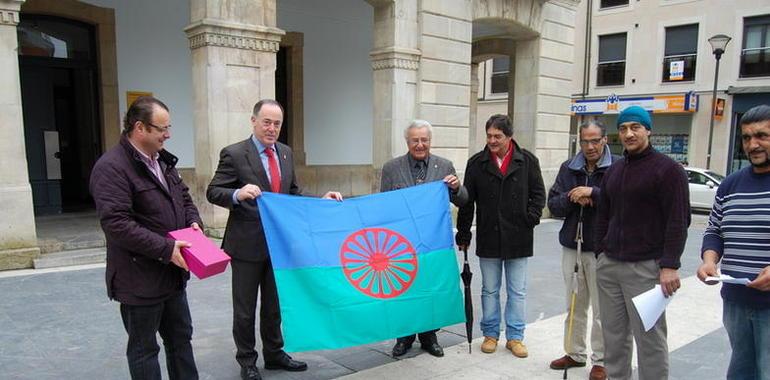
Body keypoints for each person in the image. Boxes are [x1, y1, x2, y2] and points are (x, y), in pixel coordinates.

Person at [206, 99, 342, 380]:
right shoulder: (234, 153)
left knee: (274, 305)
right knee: (244, 310)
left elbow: (292, 193)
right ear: (253, 121)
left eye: (277, 123)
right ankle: (247, 361)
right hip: (246, 245)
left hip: (280, 244)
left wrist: (321, 200)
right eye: (266, 122)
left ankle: (274, 354)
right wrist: (237, 194)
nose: (271, 128)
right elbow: (213, 191)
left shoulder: (285, 153)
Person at [90, 96, 202, 380]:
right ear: (139, 128)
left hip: (172, 274)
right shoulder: (111, 167)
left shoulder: (163, 162)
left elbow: (185, 198)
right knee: (144, 350)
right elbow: (116, 224)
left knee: (180, 340)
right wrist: (166, 248)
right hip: (138, 279)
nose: (168, 134)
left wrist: (193, 223)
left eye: (169, 127)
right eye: (162, 128)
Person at [594, 105, 690, 380]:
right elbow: (604, 215)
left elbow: (677, 221)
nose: (628, 133)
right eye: (623, 128)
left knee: (650, 340)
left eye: (635, 127)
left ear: (648, 130)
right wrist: (601, 252)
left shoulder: (669, 170)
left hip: (646, 269)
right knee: (613, 339)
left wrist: (669, 265)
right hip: (610, 266)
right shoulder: (614, 170)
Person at [456, 114, 545, 358]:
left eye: (498, 136)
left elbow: (539, 194)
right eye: (489, 136)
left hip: (519, 235)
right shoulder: (476, 163)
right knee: (489, 289)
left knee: (517, 290)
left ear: (509, 136)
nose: (492, 140)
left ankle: (515, 337)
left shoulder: (527, 160)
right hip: (489, 235)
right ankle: (491, 333)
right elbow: (467, 202)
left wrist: (531, 218)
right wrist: (464, 232)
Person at [380, 119, 468, 358]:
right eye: (415, 140)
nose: (420, 145)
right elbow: (383, 206)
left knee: (430, 289)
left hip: (433, 244)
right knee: (404, 289)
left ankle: (430, 337)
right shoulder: (391, 168)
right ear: (407, 142)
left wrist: (457, 187)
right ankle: (404, 337)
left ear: (430, 141)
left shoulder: (444, 165)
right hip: (402, 245)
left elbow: (463, 200)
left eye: (424, 140)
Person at [697, 104, 770, 380]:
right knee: (740, 372)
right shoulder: (730, 185)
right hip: (736, 300)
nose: (753, 144)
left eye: (762, 135)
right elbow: (714, 230)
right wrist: (709, 260)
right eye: (747, 137)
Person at [547, 120, 618, 380]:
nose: (590, 146)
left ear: (605, 140)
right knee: (574, 305)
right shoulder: (569, 167)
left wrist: (595, 194)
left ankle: (601, 360)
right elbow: (552, 204)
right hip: (572, 246)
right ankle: (574, 353)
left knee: (602, 309)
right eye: (585, 141)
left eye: (595, 141)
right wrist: (572, 196)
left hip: (603, 249)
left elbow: (622, 202)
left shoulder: (617, 167)